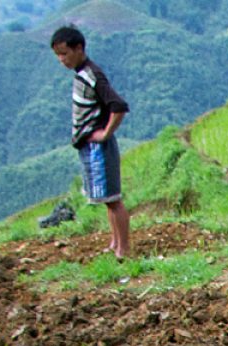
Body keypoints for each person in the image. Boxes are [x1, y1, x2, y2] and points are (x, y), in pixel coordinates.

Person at [50, 25, 131, 258]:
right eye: (58, 55)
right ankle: (115, 243)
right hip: (89, 145)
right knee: (107, 200)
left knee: (114, 200)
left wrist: (105, 133)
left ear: (79, 49)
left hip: (100, 147)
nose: (61, 59)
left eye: (64, 53)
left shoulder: (92, 75)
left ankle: (123, 248)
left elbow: (118, 105)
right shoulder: (82, 74)